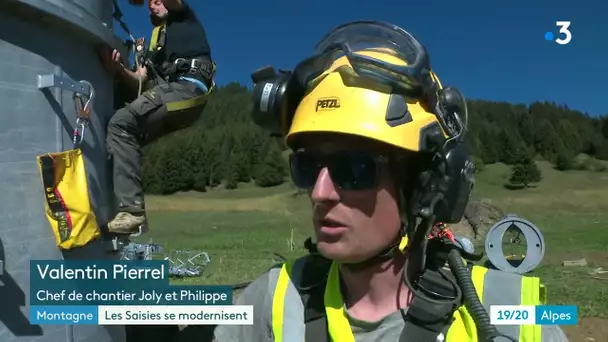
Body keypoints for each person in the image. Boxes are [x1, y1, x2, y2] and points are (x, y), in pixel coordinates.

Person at [213, 21, 569, 341]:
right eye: (307, 167)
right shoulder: (269, 302)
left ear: (423, 185)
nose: (319, 193)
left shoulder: (513, 317)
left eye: (354, 169)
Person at [99, 0, 215, 235]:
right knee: (122, 137)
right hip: (177, 98)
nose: (153, 5)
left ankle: (132, 212)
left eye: (157, 1)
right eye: (150, 4)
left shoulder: (183, 18)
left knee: (121, 124)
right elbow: (140, 79)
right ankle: (124, 209)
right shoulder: (156, 42)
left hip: (186, 89)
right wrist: (118, 70)